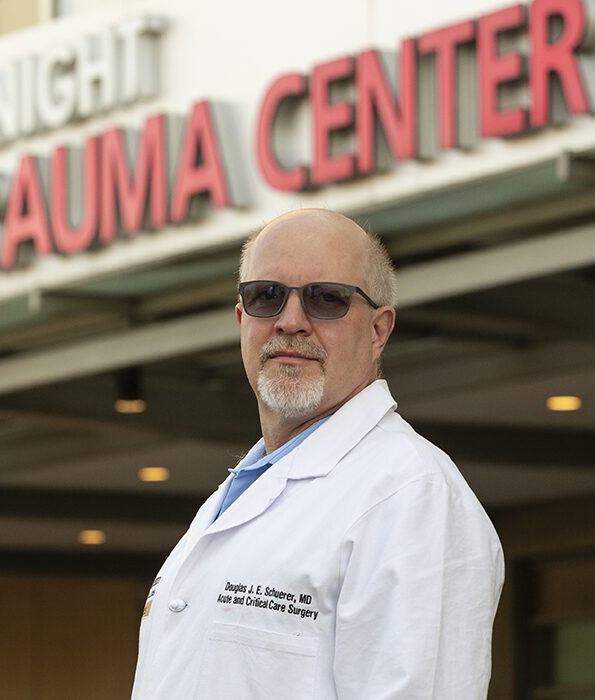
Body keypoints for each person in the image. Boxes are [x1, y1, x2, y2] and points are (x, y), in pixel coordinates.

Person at [131, 209, 503, 700]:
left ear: (378, 331)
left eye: (326, 299)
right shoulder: (239, 492)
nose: (290, 322)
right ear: (242, 320)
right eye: (266, 296)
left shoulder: (412, 495)